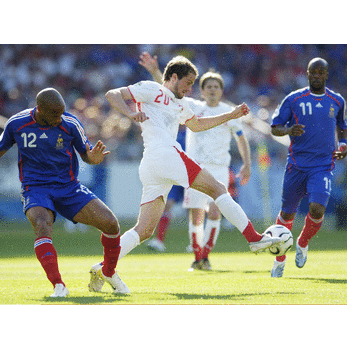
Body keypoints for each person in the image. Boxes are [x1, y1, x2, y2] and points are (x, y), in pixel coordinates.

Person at [88, 55, 283, 293]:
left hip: (154, 164)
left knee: (145, 230)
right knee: (218, 189)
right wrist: (130, 113)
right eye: (188, 83)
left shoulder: (180, 103)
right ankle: (254, 238)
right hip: (164, 154)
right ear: (173, 77)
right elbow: (112, 94)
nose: (190, 89)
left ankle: (104, 268)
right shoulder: (151, 88)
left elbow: (197, 125)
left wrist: (230, 115)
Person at [0, 87, 129, 296]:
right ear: (39, 109)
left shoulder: (70, 123)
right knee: (42, 225)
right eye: (54, 114)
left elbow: (86, 153)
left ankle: (107, 272)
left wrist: (93, 158)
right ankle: (59, 286)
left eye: (61, 113)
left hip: (68, 187)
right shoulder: (17, 123)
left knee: (111, 223)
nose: (59, 119)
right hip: (35, 188)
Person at [139, 52, 252, 270]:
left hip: (220, 167)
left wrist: (247, 163)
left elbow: (241, 138)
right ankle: (198, 257)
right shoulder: (192, 106)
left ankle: (205, 255)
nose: (212, 90)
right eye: (208, 87)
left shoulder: (229, 112)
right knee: (196, 214)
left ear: (221, 91)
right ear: (202, 90)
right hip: (196, 167)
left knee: (215, 211)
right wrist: (154, 70)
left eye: (216, 87)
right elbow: (167, 89)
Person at [270, 57, 347, 278]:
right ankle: (279, 259)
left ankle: (303, 242)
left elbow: (342, 126)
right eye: (313, 72)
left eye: (321, 72)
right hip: (296, 165)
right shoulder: (294, 99)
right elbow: (275, 127)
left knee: (317, 208)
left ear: (326, 75)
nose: (316, 76)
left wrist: (343, 144)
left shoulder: (337, 100)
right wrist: (288, 130)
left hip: (323, 165)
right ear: (307, 73)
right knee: (287, 213)